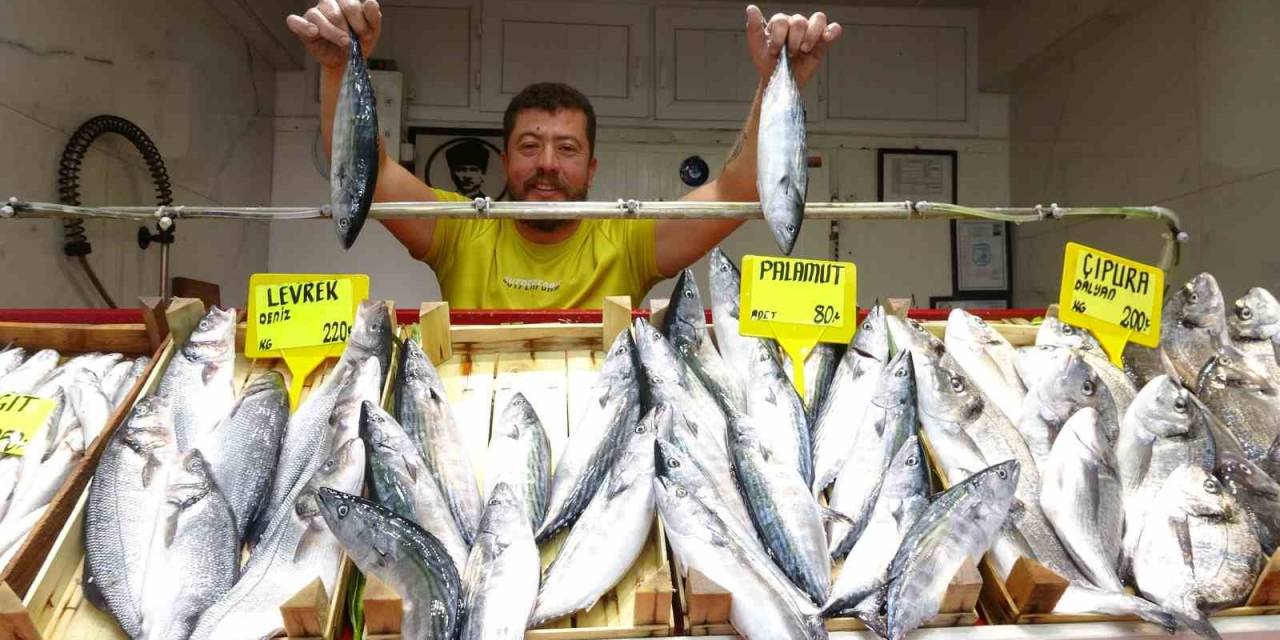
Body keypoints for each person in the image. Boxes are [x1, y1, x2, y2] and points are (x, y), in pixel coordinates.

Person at [288, 0, 840, 309]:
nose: (547, 163)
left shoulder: (628, 238)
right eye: (530, 146)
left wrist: (774, 81)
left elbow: (735, 191)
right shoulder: (459, 230)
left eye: (567, 148)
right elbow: (373, 170)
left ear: (591, 167)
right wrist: (338, 66)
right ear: (506, 161)